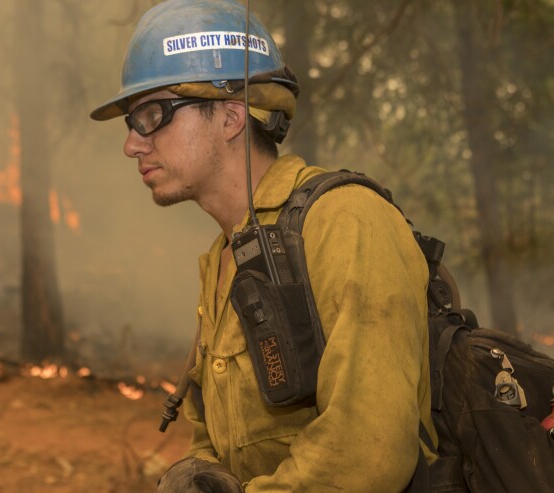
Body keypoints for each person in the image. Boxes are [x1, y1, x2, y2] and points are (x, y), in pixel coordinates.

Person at [90, 0, 437, 491]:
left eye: (152, 114)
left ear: (232, 117)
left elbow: (368, 450)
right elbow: (215, 437)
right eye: (131, 121)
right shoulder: (223, 258)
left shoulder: (345, 221)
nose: (132, 143)